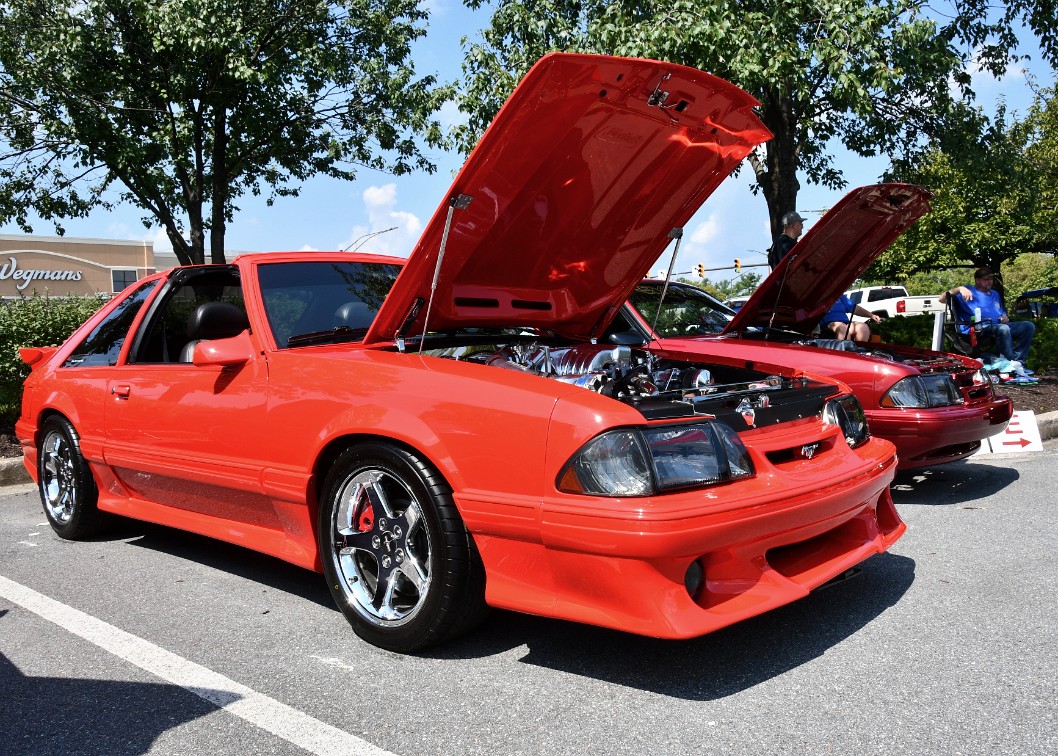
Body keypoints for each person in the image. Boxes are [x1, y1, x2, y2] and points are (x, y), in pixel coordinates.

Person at [939, 266, 1035, 365]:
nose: (990, 282)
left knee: (1028, 326)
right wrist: (959, 289)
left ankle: (1019, 362)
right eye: (986, 279)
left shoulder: (995, 294)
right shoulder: (967, 291)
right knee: (1003, 329)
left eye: (991, 279)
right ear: (977, 281)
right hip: (978, 329)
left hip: (998, 326)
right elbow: (941, 299)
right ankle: (1009, 363)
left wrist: (1005, 317)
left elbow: (1001, 312)